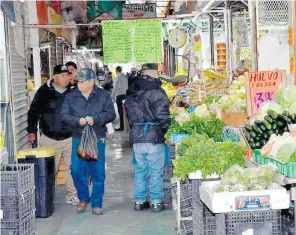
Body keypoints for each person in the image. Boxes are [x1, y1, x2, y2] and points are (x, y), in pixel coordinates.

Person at [60, 68, 116, 215]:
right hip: (78, 138)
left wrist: (95, 119)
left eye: (83, 81)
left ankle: (97, 203)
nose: (79, 83)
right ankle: (83, 198)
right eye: (78, 81)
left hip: (97, 138)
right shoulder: (71, 96)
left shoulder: (103, 95)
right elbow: (64, 115)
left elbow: (111, 114)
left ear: (92, 82)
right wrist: (77, 121)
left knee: (98, 172)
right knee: (76, 170)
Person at [27, 65, 79, 206]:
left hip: (70, 136)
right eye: (62, 75)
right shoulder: (44, 92)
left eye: (67, 75)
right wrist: (31, 130)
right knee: (50, 170)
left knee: (73, 167)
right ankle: (47, 196)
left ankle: (72, 195)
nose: (65, 78)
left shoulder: (73, 92)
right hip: (50, 139)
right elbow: (34, 112)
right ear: (54, 77)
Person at [125, 63, 170, 213]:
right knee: (156, 171)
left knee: (140, 171)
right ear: (154, 73)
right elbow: (162, 116)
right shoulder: (157, 92)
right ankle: (156, 202)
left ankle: (139, 201)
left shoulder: (132, 91)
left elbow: (130, 116)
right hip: (153, 137)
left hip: (137, 136)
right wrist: (164, 130)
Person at [111, 66, 128, 131]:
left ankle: (122, 127)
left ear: (116, 70)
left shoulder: (118, 76)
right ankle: (125, 126)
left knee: (120, 112)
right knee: (124, 112)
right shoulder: (124, 76)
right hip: (125, 95)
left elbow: (115, 87)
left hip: (120, 96)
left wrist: (112, 96)